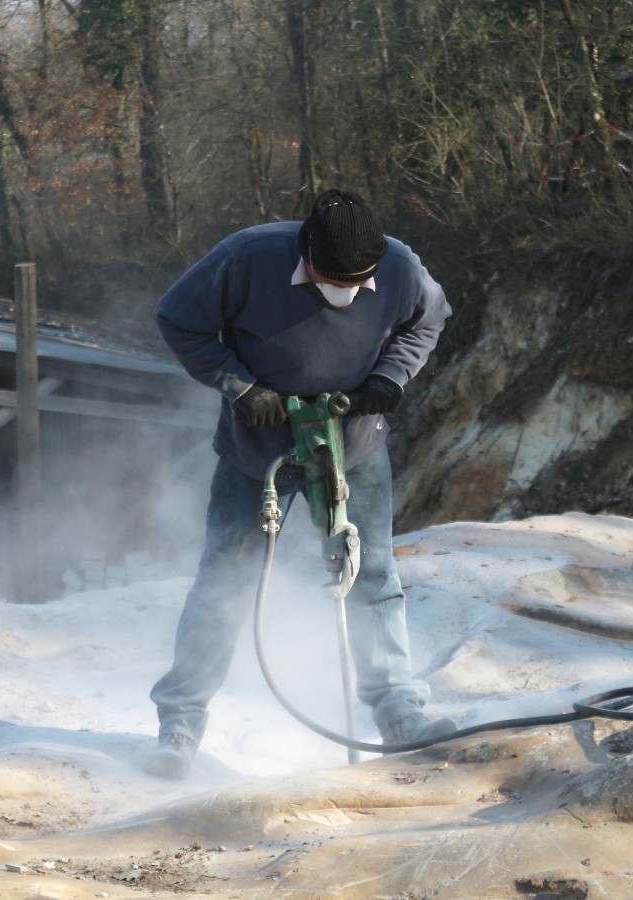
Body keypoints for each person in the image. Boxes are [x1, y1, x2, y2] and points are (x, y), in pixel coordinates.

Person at [146, 188, 454, 779]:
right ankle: (179, 725)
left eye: (355, 284)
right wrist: (240, 387)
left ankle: (399, 714)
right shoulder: (246, 258)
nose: (342, 294)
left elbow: (429, 322)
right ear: (304, 254)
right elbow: (177, 320)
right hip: (256, 450)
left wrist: (390, 377)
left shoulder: (400, 267)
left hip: (354, 446)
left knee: (374, 578)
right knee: (224, 582)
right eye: (328, 282)